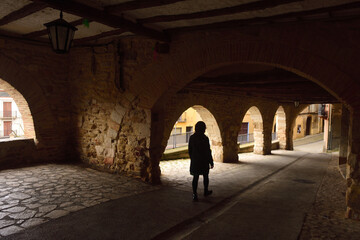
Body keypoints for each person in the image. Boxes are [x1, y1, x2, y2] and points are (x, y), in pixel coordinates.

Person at [188, 121, 214, 201]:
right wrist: (211, 161)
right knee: (205, 176)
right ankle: (205, 191)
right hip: (204, 161)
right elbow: (208, 151)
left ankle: (194, 194)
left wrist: (193, 157)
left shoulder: (192, 138)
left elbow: (190, 150)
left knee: (195, 177)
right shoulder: (205, 138)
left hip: (195, 161)